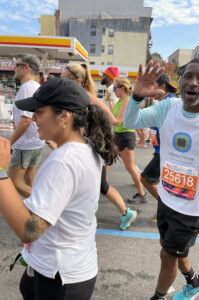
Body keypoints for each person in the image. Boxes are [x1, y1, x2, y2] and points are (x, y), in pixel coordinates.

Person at [0, 77, 116, 300]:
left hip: (61, 277)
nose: (33, 118)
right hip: (64, 267)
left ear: (63, 116)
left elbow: (29, 230)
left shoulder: (64, 161)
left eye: (39, 112)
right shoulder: (85, 146)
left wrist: (1, 171)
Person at [124, 57, 199, 299]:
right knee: (169, 248)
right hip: (167, 198)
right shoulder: (167, 108)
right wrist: (137, 97)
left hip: (193, 207)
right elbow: (130, 122)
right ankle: (195, 282)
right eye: (188, 76)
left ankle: (157, 297)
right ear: (179, 82)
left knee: (167, 256)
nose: (194, 82)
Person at [61, 63, 137, 230]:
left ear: (77, 81)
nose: (61, 81)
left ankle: (126, 212)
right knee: (86, 183)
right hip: (82, 148)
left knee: (102, 185)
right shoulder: (73, 97)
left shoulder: (88, 97)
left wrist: (123, 108)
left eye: (64, 78)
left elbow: (114, 121)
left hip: (94, 148)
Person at [138, 74, 177, 220]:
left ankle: (167, 210)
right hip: (161, 152)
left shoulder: (171, 102)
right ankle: (168, 210)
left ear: (162, 86)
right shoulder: (163, 103)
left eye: (151, 86)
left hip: (165, 153)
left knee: (145, 179)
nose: (149, 90)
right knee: (162, 184)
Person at [9, 53, 45, 198]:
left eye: (17, 65)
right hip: (35, 142)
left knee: (13, 180)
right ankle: (35, 214)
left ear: (26, 68)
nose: (14, 68)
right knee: (29, 180)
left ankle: (42, 205)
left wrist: (9, 142)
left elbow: (26, 120)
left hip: (25, 144)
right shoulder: (36, 86)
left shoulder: (27, 88)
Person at [113, 77, 147, 203]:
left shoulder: (126, 101)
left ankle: (142, 193)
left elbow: (117, 120)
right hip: (118, 135)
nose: (114, 90)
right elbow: (114, 117)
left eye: (115, 88)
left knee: (130, 167)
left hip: (125, 135)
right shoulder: (119, 101)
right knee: (105, 159)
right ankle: (101, 186)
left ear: (122, 88)